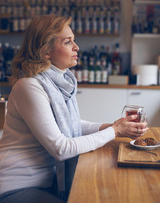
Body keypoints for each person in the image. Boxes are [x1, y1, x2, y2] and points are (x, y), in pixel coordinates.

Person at [0, 14, 148, 203]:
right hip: (16, 186)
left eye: (74, 41)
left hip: (47, 182)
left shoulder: (59, 82)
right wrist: (114, 131)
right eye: (68, 42)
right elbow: (61, 148)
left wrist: (115, 126)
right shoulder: (29, 86)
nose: (77, 47)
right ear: (46, 51)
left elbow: (72, 125)